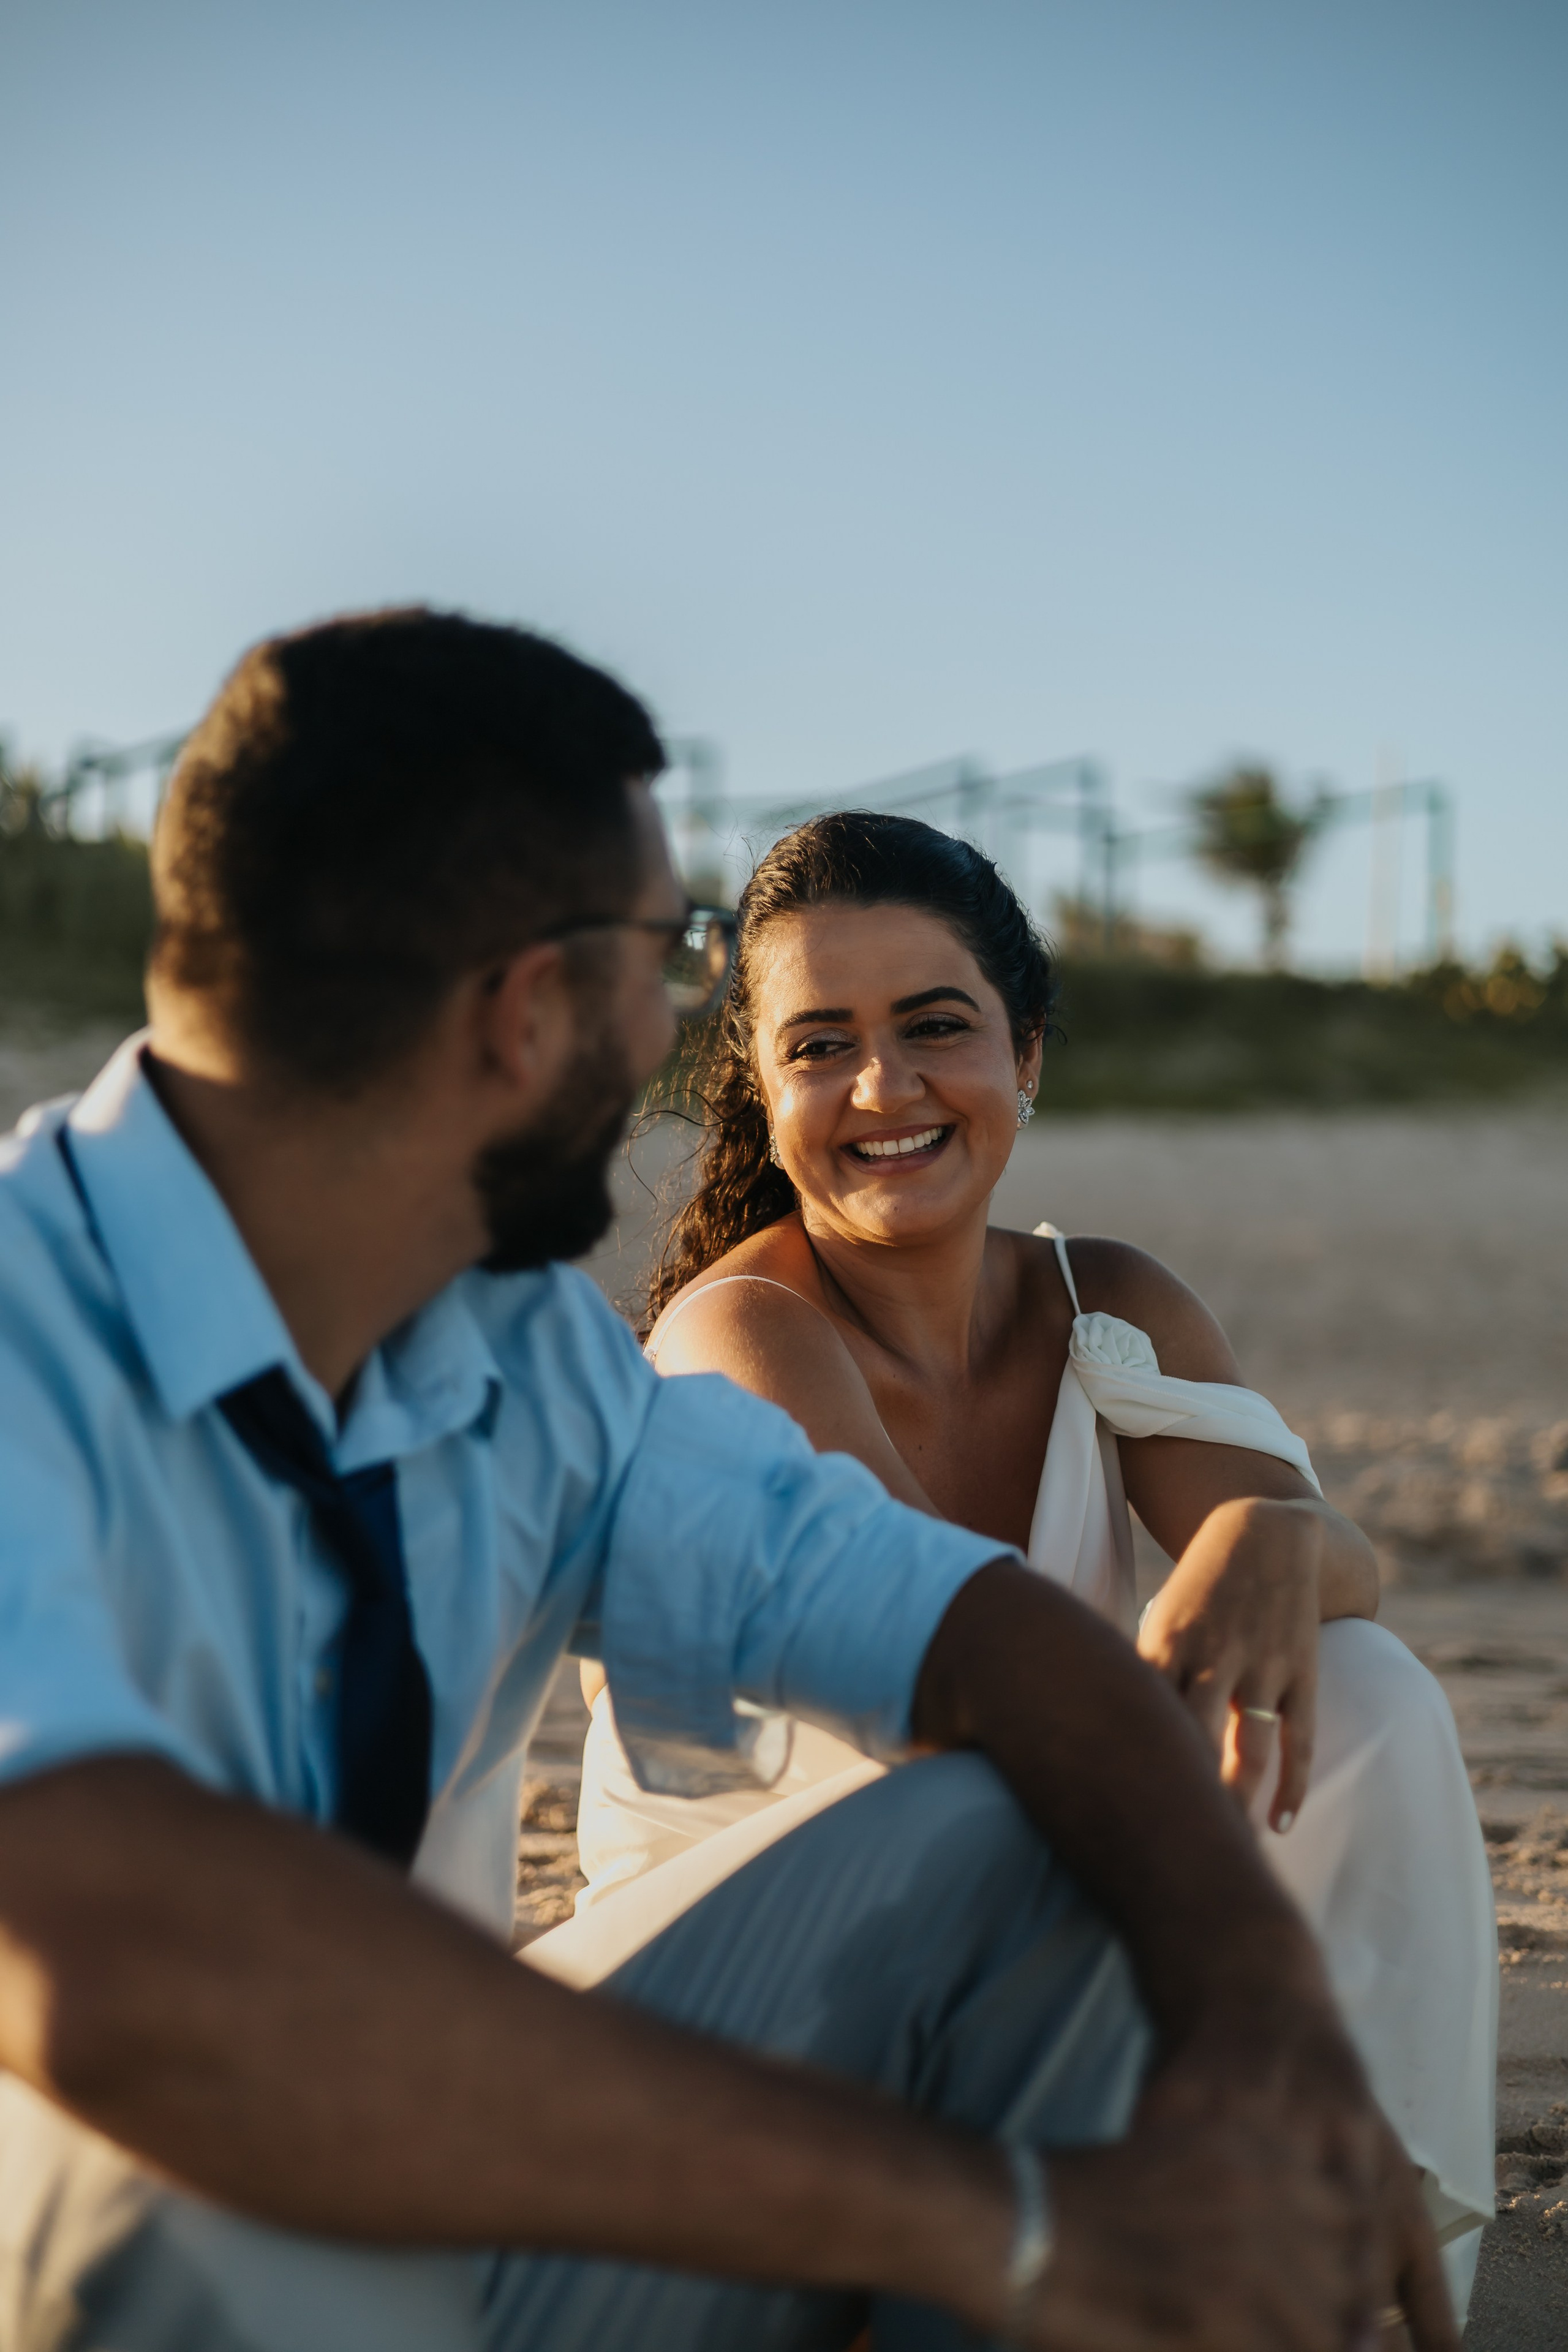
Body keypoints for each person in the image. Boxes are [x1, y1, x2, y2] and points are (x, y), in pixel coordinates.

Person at [0, 611, 1455, 2352]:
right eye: (675, 952)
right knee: (221, 2205)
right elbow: (123, 1977)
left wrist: (1266, 2019)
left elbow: (974, 1634)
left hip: (478, 2208)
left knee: (1035, 1815)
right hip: (133, 2261)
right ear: (530, 1007)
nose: (680, 1023)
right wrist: (1010, 2230)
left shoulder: (513, 1350)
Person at [570, 810, 1497, 2324]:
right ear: (765, 1090)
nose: (884, 1087)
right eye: (820, 1046)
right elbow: (951, 1692)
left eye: (935, 1026)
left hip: (1029, 1880)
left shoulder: (1103, 1302)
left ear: (1028, 1056)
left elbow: (1340, 1574)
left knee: (1369, 1689)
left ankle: (1353, 2270)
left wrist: (1272, 1531)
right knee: (1017, 1798)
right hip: (755, 1970)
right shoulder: (742, 1335)